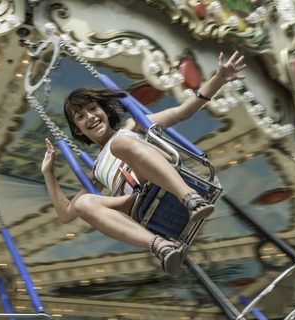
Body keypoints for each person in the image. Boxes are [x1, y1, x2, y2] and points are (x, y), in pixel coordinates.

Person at [42, 51, 246, 275]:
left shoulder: (131, 126)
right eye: (80, 117)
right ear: (77, 130)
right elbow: (67, 214)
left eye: (92, 109)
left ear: (105, 112)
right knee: (83, 204)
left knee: (119, 144)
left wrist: (217, 80)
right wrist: (48, 174)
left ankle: (190, 198)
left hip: (164, 182)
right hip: (141, 205)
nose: (89, 117)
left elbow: (181, 113)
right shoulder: (97, 170)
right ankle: (160, 246)